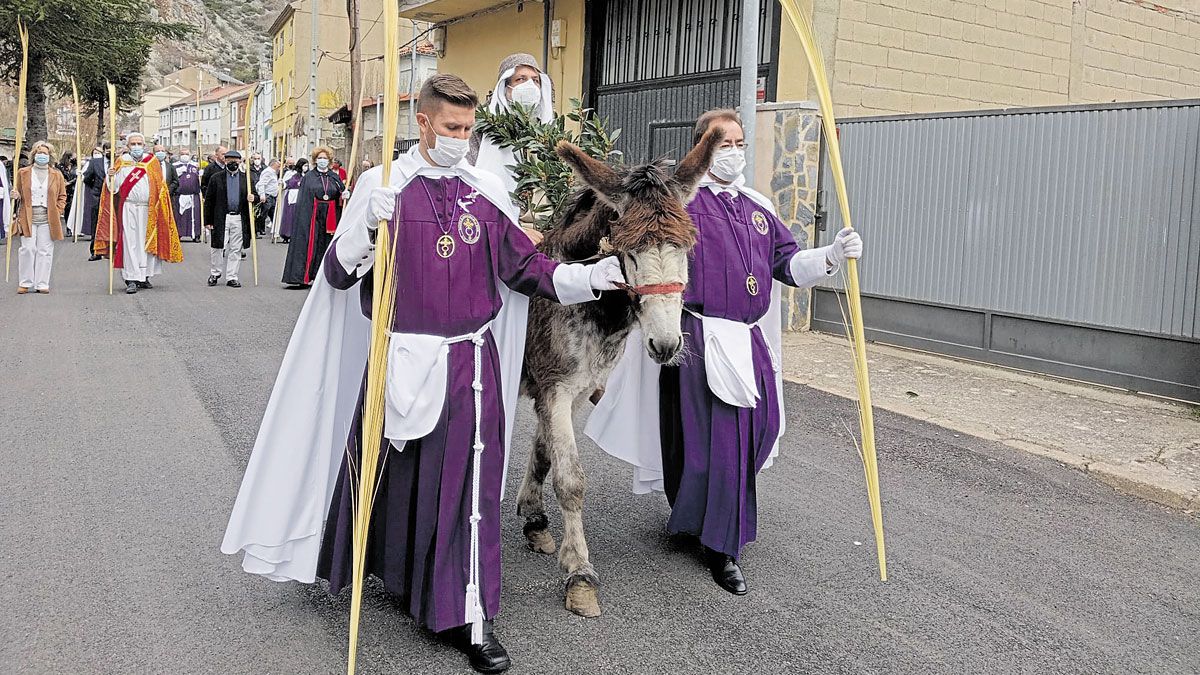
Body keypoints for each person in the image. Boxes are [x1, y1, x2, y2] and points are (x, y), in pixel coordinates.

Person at [222, 73, 625, 675]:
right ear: (424, 123)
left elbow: (530, 270)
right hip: (397, 359)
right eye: (452, 128)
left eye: (469, 128)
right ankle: (398, 576)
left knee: (469, 492)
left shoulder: (486, 192)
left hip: (470, 364)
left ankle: (468, 614)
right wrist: (362, 226)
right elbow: (335, 276)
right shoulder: (382, 186)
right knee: (396, 479)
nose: (462, 139)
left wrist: (591, 278)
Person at [587, 109, 864, 596]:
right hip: (698, 338)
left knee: (760, 429)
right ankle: (722, 544)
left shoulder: (758, 206)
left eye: (738, 142)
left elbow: (787, 264)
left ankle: (700, 515)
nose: (733, 151)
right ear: (701, 151)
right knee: (707, 444)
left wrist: (830, 257)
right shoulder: (679, 207)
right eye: (722, 143)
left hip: (749, 337)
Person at [468, 52, 556, 247]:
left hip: (545, 234)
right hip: (498, 232)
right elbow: (471, 185)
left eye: (535, 80)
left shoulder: (547, 133)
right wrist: (512, 229)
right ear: (505, 86)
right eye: (521, 79)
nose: (530, 86)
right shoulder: (480, 129)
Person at [96, 132, 184, 294]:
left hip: (149, 209)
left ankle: (144, 276)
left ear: (144, 146)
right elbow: (113, 189)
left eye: (139, 144)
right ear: (128, 146)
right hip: (129, 207)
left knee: (147, 241)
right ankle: (131, 278)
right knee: (130, 242)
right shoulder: (121, 162)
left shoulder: (151, 162)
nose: (136, 147)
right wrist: (110, 177)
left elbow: (160, 187)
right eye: (133, 144)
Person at [281, 147, 343, 287]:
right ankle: (305, 276)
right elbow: (305, 197)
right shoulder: (309, 177)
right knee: (311, 243)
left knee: (326, 244)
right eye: (320, 158)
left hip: (330, 214)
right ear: (315, 160)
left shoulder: (334, 177)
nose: (322, 161)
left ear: (329, 161)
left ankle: (325, 276)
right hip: (313, 213)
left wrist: (344, 195)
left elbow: (340, 191)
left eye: (325, 158)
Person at [10, 141, 67, 294]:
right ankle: (25, 282)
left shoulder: (57, 174)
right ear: (34, 155)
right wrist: (15, 195)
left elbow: (62, 195)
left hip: (48, 218)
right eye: (39, 152)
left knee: (45, 250)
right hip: (28, 216)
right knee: (27, 249)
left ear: (50, 156)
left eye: (45, 153)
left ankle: (42, 283)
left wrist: (58, 210)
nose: (42, 155)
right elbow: (19, 192)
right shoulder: (23, 172)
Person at [203, 150, 258, 288]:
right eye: (229, 160)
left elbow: (255, 197)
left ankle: (232, 276)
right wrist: (208, 220)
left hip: (239, 217)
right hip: (221, 217)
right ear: (225, 161)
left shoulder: (247, 179)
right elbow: (209, 200)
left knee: (236, 248)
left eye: (236, 160)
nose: (233, 163)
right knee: (218, 246)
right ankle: (215, 273)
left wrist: (254, 198)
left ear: (240, 162)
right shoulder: (216, 178)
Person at [81, 144, 109, 260]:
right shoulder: (95, 162)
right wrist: (95, 188)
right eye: (108, 149)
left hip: (114, 198)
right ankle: (95, 251)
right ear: (104, 151)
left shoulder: (119, 162)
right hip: (97, 197)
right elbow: (87, 178)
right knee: (96, 223)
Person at [173, 149, 203, 242]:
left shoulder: (195, 165)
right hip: (179, 195)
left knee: (194, 216)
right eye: (182, 154)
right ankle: (178, 234)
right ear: (179, 155)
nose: (184, 155)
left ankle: (196, 234)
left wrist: (201, 174)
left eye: (186, 154)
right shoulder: (174, 166)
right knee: (179, 216)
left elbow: (200, 180)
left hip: (193, 195)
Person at [276, 157, 306, 243]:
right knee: (289, 216)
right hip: (292, 197)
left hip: (302, 197)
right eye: (304, 165)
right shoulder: (293, 175)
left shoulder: (309, 175)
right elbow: (288, 183)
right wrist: (282, 183)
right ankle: (287, 234)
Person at [255, 158, 280, 237]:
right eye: (278, 165)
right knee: (264, 213)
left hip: (273, 196)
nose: (279, 167)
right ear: (273, 164)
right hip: (267, 195)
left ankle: (275, 228)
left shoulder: (273, 172)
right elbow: (262, 183)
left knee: (273, 213)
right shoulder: (268, 172)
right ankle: (260, 229)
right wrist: (262, 195)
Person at [57, 150, 77, 238]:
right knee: (67, 209)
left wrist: (70, 182)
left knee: (73, 208)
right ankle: (68, 228)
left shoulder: (76, 166)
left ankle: (73, 227)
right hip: (64, 189)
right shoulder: (60, 166)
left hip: (73, 188)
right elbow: (58, 176)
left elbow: (78, 177)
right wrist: (64, 182)